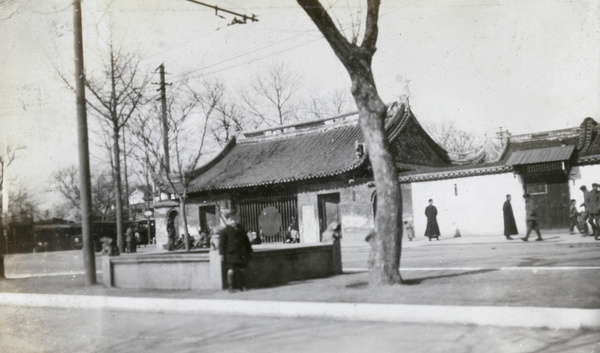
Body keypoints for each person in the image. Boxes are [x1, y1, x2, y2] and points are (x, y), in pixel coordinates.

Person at [218, 209, 253, 292]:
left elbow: (246, 242)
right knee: (231, 270)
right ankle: (231, 287)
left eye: (235, 219)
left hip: (241, 253)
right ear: (227, 221)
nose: (234, 221)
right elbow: (222, 244)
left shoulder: (241, 230)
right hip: (231, 254)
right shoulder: (225, 231)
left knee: (242, 270)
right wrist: (222, 254)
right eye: (231, 220)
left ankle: (242, 286)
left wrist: (249, 251)